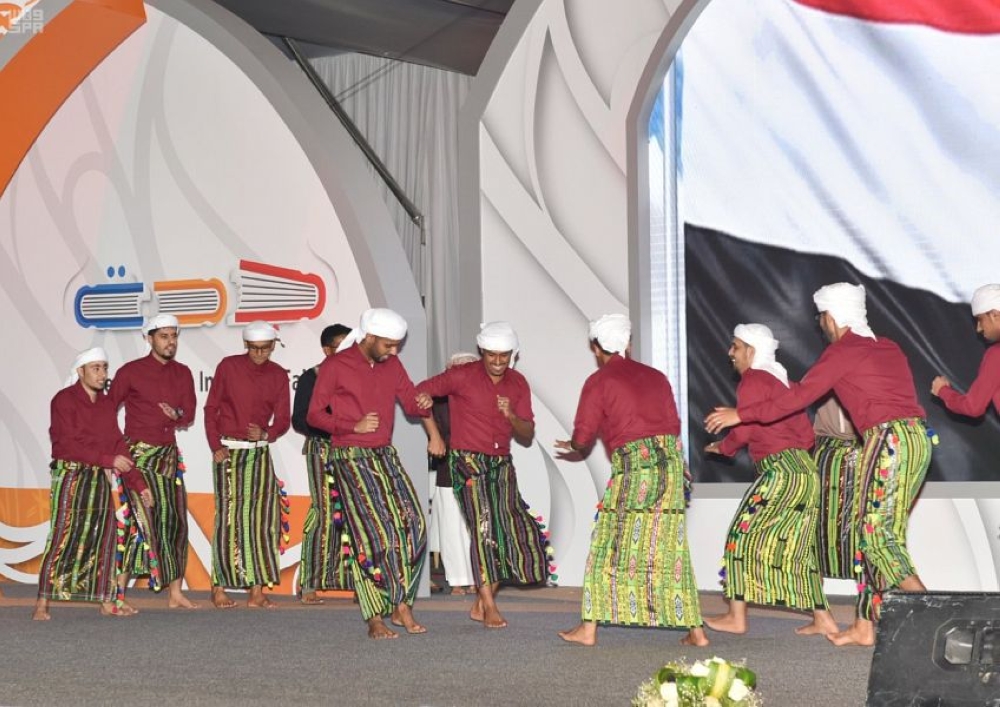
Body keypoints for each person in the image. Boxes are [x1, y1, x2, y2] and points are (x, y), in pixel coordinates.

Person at [705, 283, 933, 647]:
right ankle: (863, 625)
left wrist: (739, 415)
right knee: (872, 535)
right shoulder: (887, 346)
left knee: (876, 536)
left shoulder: (844, 350)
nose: (820, 325)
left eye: (821, 318)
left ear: (831, 317)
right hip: (916, 439)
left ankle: (931, 614)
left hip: (888, 438)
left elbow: (798, 398)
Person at [555, 314, 708, 647]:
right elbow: (673, 424)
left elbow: (584, 436)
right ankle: (696, 632)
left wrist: (574, 447)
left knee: (608, 544)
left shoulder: (599, 381)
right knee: (670, 547)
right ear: (627, 343)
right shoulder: (656, 376)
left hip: (636, 468)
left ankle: (588, 629)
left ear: (596, 347)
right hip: (670, 465)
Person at [306, 308, 434, 639]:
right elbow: (315, 416)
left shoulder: (392, 365)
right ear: (370, 337)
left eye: (397, 346)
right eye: (389, 345)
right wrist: (353, 425)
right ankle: (374, 616)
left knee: (414, 524)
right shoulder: (336, 366)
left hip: (384, 455)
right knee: (370, 535)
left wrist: (424, 400)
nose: (394, 352)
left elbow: (410, 403)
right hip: (348, 456)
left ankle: (401, 601)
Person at [704, 324, 837, 636]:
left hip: (780, 470)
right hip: (805, 471)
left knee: (740, 535)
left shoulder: (754, 379)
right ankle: (824, 619)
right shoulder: (785, 383)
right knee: (798, 547)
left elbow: (747, 428)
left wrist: (724, 447)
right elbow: (806, 435)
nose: (730, 353)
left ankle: (736, 617)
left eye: (735, 347)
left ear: (751, 351)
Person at [418, 326, 549, 629]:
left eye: (504, 355)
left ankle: (480, 602)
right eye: (492, 355)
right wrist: (435, 436)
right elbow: (418, 395)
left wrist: (511, 416)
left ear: (512, 354)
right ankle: (489, 605)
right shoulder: (462, 375)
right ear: (482, 352)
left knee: (513, 530)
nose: (498, 361)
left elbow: (527, 432)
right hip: (466, 461)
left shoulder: (518, 383)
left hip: (501, 462)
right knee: (483, 527)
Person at [33, 348, 153, 620]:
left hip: (98, 478)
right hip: (71, 478)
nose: (102, 374)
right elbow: (65, 445)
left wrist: (139, 483)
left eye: (104, 368)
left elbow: (118, 444)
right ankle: (42, 603)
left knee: (106, 539)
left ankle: (106, 601)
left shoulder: (106, 404)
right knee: (62, 536)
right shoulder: (63, 400)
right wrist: (108, 459)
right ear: (80, 371)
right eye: (96, 368)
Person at [111, 313, 198, 609]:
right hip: (137, 457)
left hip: (169, 457)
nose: (170, 342)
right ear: (149, 339)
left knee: (174, 522)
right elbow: (106, 411)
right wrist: (117, 451)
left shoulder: (183, 373)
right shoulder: (130, 372)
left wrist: (177, 416)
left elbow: (190, 414)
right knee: (136, 522)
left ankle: (175, 593)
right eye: (164, 337)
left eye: (174, 336)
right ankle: (118, 596)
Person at [203, 320, 290, 609]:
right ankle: (218, 587)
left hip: (260, 454)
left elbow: (283, 418)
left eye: (265, 349)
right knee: (228, 521)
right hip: (228, 453)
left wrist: (267, 434)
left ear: (273, 346)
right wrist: (215, 446)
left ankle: (257, 591)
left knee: (262, 521)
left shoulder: (278, 375)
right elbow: (211, 408)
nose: (259, 354)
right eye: (254, 348)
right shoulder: (228, 366)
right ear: (245, 345)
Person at [291, 323, 352, 605]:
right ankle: (310, 584)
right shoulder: (311, 378)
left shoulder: (360, 375)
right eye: (341, 346)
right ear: (327, 350)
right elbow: (300, 419)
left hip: (354, 451)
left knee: (356, 513)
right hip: (322, 450)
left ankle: (356, 584)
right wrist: (332, 428)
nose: (348, 350)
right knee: (325, 511)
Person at [426, 352, 478, 597]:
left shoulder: (483, 396)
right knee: (451, 528)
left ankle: (477, 579)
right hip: (449, 469)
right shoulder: (439, 400)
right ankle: (457, 580)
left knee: (475, 528)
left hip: (479, 470)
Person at [931, 283, 1000, 419]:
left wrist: (942, 391)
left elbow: (973, 407)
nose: (979, 329)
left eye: (980, 320)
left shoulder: (996, 354)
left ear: (994, 314)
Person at [812, 396, 862, 582]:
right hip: (827, 452)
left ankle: (870, 601)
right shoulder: (821, 373)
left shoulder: (875, 374)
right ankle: (816, 601)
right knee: (816, 521)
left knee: (868, 524)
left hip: (866, 449)